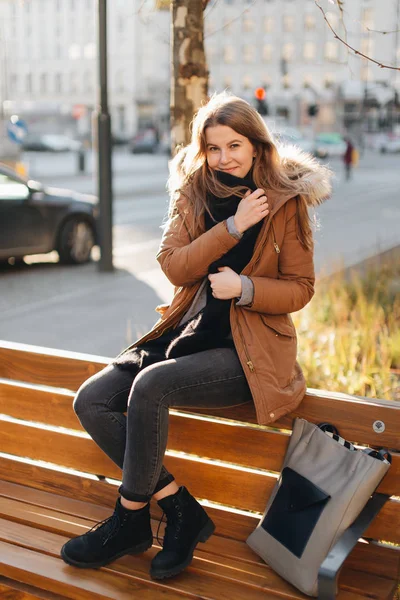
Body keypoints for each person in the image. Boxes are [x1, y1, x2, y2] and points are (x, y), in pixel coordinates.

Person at [60, 92, 332, 580]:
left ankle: (129, 519)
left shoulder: (286, 201)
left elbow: (300, 288)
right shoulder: (194, 192)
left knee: (150, 386)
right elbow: (173, 265)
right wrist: (232, 226)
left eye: (235, 145)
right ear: (201, 150)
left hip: (245, 352)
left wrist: (244, 288)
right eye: (213, 148)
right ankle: (180, 509)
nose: (224, 158)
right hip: (186, 336)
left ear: (256, 146)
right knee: (92, 400)